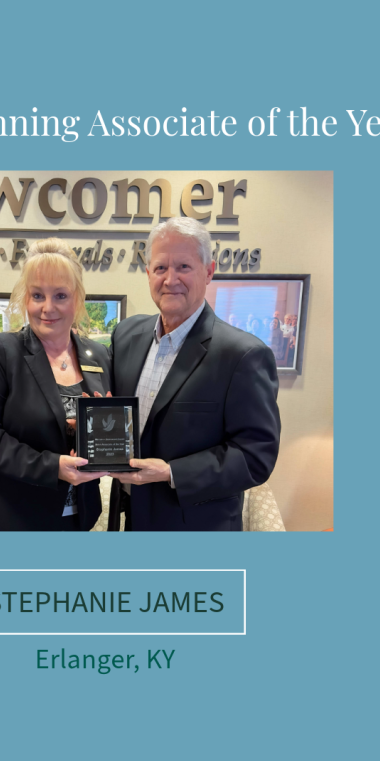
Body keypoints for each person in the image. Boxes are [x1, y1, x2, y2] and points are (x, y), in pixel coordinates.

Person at [107, 217, 281, 532]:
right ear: (148, 274)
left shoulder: (243, 355)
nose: (170, 279)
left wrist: (171, 472)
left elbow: (255, 456)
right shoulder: (126, 335)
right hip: (131, 520)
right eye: (160, 268)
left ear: (209, 271)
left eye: (183, 267)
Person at [0, 238, 113, 531]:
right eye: (37, 295)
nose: (48, 308)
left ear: (78, 300)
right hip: (8, 518)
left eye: (60, 295)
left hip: (74, 517)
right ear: (25, 299)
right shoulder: (3, 351)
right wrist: (51, 466)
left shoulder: (100, 355)